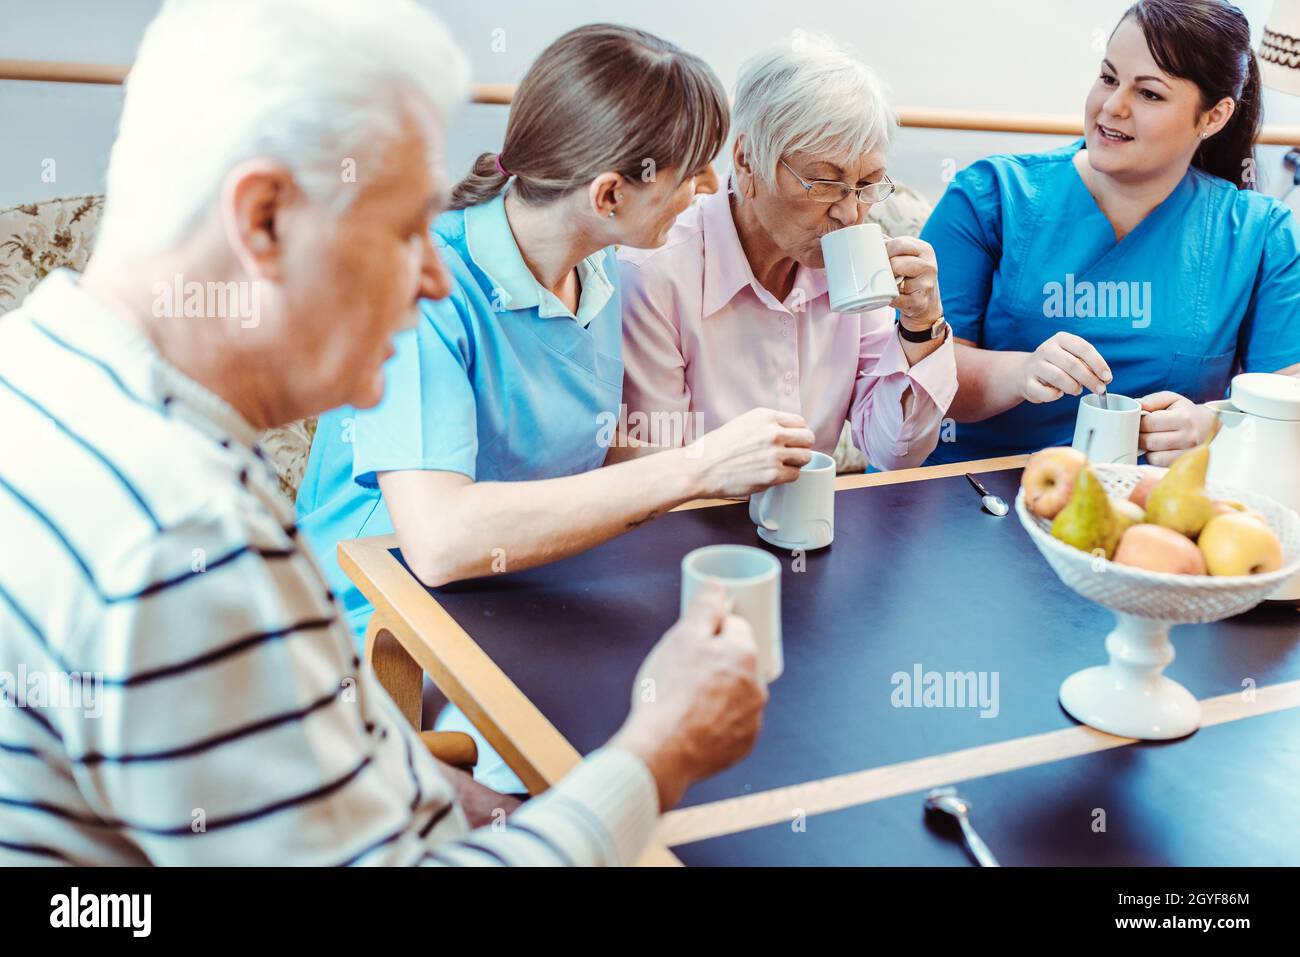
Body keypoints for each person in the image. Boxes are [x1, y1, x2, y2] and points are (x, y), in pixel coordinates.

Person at [0, 0, 766, 866]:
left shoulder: (52, 377)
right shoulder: (183, 539)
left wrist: (462, 800)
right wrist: (656, 756)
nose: (437, 275)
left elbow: (312, 767)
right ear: (263, 220)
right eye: (406, 230)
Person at [297, 24, 814, 639]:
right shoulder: (428, 290)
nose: (707, 188)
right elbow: (439, 541)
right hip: (383, 614)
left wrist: (730, 460)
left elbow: (584, 444)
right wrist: (696, 467)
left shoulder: (599, 266)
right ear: (610, 195)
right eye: (692, 173)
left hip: (529, 581)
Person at [922, 0, 1300, 467]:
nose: (1112, 107)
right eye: (1108, 77)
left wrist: (1213, 425)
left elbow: (1286, 400)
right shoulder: (990, 196)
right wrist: (1019, 372)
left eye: (1150, 94)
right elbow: (918, 374)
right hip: (971, 491)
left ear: (1214, 116)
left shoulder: (1259, 234)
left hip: (1146, 505)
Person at [615, 36, 957, 468]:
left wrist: (921, 326)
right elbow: (655, 473)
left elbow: (894, 451)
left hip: (812, 523)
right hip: (696, 527)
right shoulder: (653, 274)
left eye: (868, 184)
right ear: (747, 160)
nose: (851, 212)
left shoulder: (853, 264)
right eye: (825, 183)